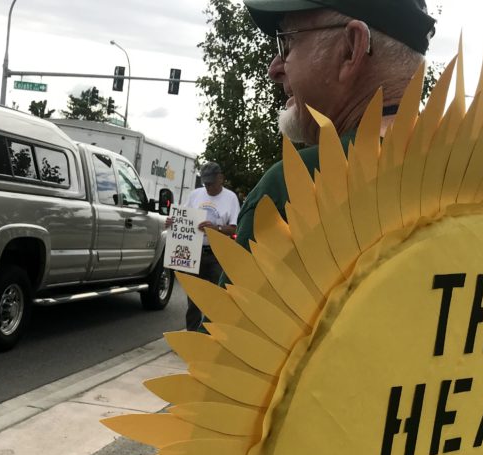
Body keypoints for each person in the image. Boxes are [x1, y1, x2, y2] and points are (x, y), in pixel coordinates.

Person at [236, 0, 435, 249]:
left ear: (351, 49)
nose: (274, 69)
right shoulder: (476, 171)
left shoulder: (293, 191)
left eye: (286, 42)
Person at [185, 161, 240, 331]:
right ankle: (192, 335)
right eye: (205, 182)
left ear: (221, 178)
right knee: (193, 297)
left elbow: (235, 227)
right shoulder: (195, 195)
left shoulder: (230, 198)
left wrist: (215, 228)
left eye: (210, 182)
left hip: (217, 254)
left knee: (218, 296)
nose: (207, 186)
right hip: (195, 252)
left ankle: (213, 334)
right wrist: (174, 222)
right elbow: (185, 218)